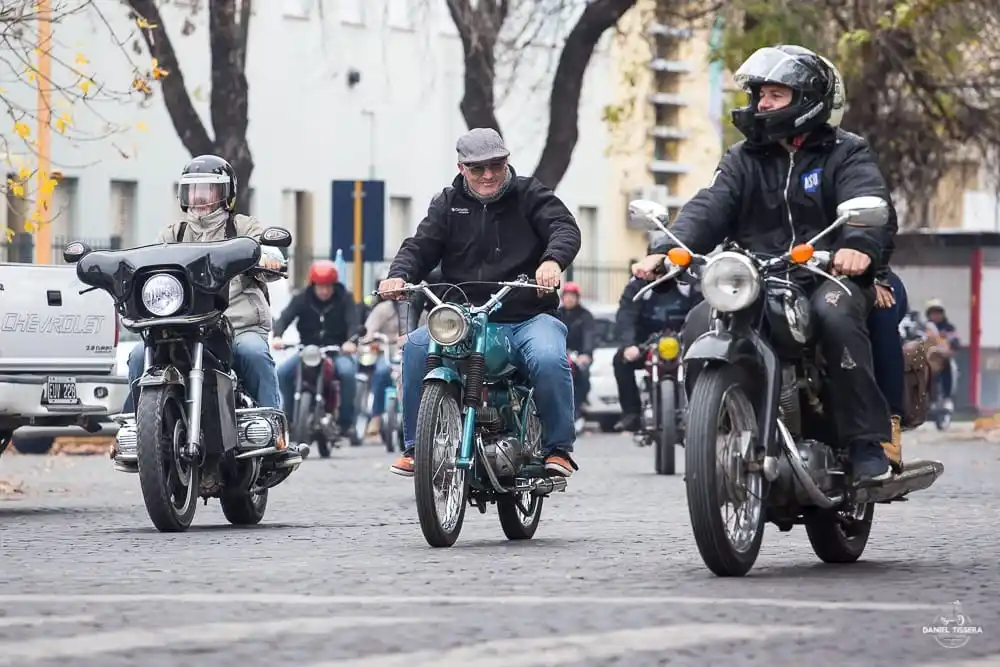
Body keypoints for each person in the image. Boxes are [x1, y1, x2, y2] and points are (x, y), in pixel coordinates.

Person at [632, 45, 898, 484]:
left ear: (808, 98)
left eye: (776, 94)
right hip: (757, 275)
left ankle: (864, 441)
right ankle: (711, 427)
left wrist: (858, 246)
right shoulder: (743, 159)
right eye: (760, 95)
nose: (763, 104)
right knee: (701, 322)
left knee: (835, 316)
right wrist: (664, 247)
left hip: (826, 273)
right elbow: (711, 205)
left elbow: (866, 201)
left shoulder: (845, 152)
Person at [378, 127, 582, 478]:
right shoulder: (447, 203)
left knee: (549, 358)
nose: (487, 175)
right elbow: (420, 246)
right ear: (461, 169)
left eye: (496, 165)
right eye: (477, 168)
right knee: (414, 347)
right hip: (462, 317)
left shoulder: (529, 194)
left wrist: (552, 261)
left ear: (506, 162)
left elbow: (564, 227)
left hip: (526, 315)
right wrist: (399, 274)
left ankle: (558, 448)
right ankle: (416, 448)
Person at [121, 155, 293, 457]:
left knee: (252, 352)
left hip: (238, 324)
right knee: (138, 356)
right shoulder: (172, 234)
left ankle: (273, 431)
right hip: (181, 326)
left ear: (226, 195)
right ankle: (137, 434)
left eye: (209, 190)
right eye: (193, 190)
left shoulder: (244, 227)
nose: (199, 198)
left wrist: (267, 259)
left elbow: (269, 251)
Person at [614, 234, 702, 432]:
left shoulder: (691, 282)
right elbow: (626, 314)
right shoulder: (637, 284)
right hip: (646, 343)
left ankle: (704, 414)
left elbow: (702, 311)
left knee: (708, 365)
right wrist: (629, 345)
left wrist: (695, 341)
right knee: (620, 360)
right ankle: (632, 414)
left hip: (686, 343)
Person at [271, 260, 362, 446]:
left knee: (347, 373)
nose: (324, 291)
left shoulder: (345, 298)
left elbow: (353, 323)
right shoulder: (301, 298)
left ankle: (345, 423)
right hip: (307, 351)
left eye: (328, 286)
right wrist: (278, 336)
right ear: (313, 285)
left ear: (334, 285)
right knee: (283, 373)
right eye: (320, 286)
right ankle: (287, 418)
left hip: (336, 351)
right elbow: (285, 317)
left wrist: (351, 342)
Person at [868, 267, 909, 472]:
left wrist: (875, 274)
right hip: (777, 270)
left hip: (861, 269)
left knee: (882, 306)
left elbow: (874, 235)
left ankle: (889, 425)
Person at [358, 293, 402, 438]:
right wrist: (370, 339)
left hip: (408, 352)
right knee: (381, 372)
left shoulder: (421, 310)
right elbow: (368, 331)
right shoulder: (382, 309)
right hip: (387, 351)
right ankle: (376, 417)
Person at [556, 282, 595, 423]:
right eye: (567, 296)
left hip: (579, 355)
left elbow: (589, 335)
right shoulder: (557, 314)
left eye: (573, 296)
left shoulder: (586, 315)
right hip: (559, 353)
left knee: (583, 378)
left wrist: (586, 354)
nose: (569, 299)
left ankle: (578, 408)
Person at [925, 298, 960, 410]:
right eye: (933, 313)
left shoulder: (948, 328)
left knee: (949, 367)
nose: (936, 315)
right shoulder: (924, 328)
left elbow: (955, 342)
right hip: (928, 358)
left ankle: (946, 398)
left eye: (938, 312)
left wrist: (950, 348)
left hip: (944, 358)